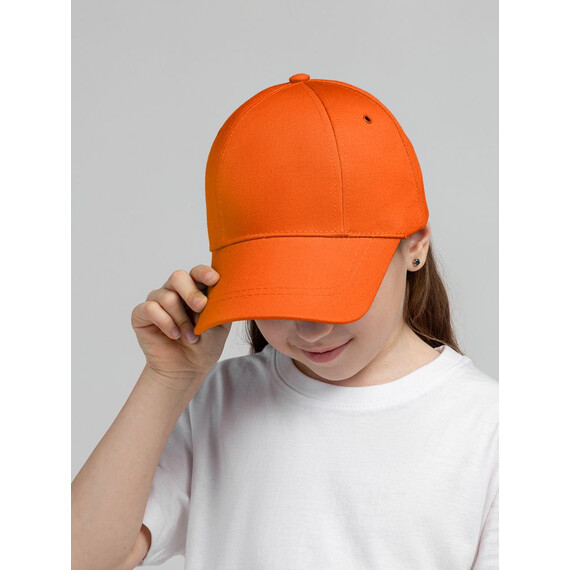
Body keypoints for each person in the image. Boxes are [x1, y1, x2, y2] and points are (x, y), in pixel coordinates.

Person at [71, 74, 498, 570]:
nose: (310, 330)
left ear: (414, 245)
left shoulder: (491, 429)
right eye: (275, 294)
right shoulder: (217, 403)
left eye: (335, 290)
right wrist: (166, 380)